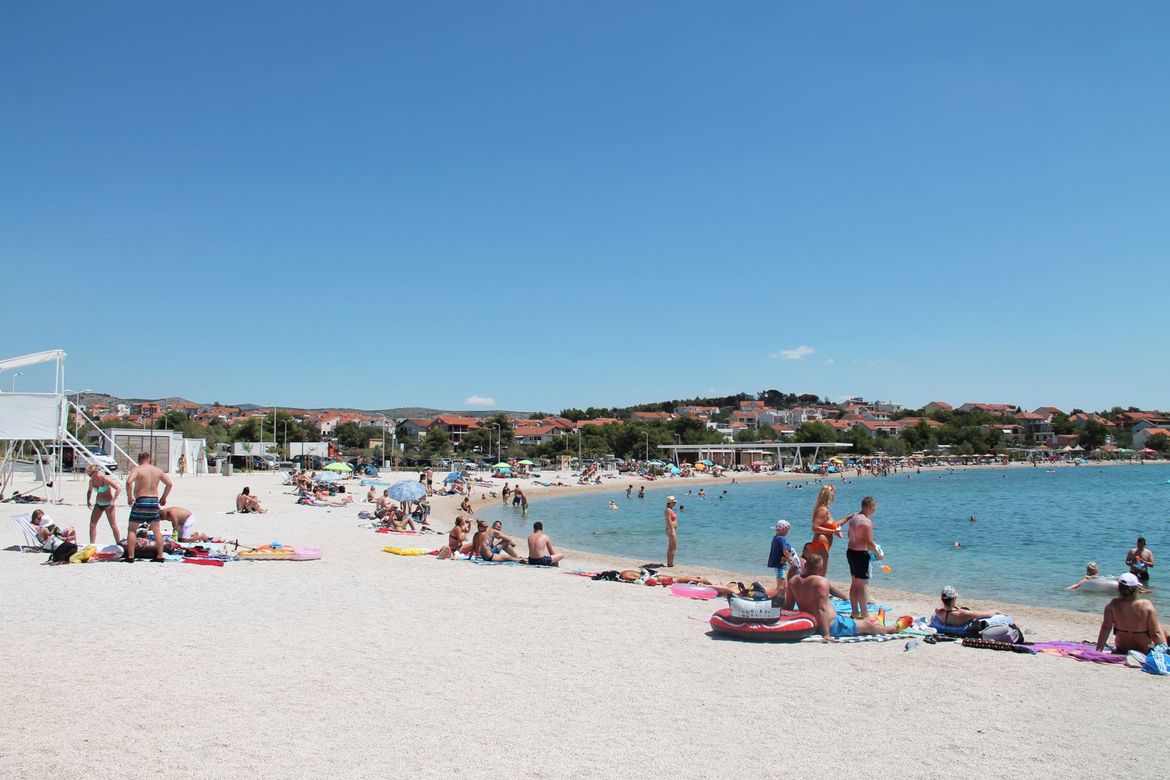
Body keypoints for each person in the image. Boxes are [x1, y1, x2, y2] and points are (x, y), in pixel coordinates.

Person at [785, 553, 905, 640]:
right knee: (867, 627)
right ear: (820, 569)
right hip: (831, 625)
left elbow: (788, 607)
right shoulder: (821, 582)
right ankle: (892, 628)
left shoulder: (793, 581)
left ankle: (871, 621)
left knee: (857, 622)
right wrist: (826, 635)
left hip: (812, 623)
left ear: (805, 566)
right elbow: (822, 609)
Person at [1096, 573, 1170, 653]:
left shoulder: (1112, 605)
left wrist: (1099, 650)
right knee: (1158, 626)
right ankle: (1166, 650)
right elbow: (1155, 634)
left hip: (1122, 648)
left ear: (1119, 588)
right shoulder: (1146, 605)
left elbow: (1106, 628)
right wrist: (1163, 653)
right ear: (1136, 589)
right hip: (1144, 649)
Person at [125, 451, 173, 562]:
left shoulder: (137, 469)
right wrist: (164, 497)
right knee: (156, 531)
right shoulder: (158, 470)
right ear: (149, 459)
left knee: (132, 529)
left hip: (141, 501)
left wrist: (129, 496)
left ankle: (131, 556)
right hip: (153, 502)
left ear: (139, 459)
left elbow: (129, 482)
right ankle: (160, 555)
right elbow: (169, 484)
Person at [845, 496, 882, 620]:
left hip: (850, 552)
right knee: (862, 586)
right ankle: (865, 614)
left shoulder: (853, 518)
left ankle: (855, 612)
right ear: (869, 507)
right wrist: (878, 554)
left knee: (854, 583)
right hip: (861, 555)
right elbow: (869, 543)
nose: (875, 510)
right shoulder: (867, 522)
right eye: (874, 507)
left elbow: (849, 535)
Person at [809, 484, 844, 578]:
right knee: (820, 575)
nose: (835, 496)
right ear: (830, 495)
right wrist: (833, 532)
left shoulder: (824, 510)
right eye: (834, 493)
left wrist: (849, 517)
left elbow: (834, 525)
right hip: (821, 544)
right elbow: (815, 528)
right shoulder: (823, 510)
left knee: (818, 574)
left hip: (822, 544)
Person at [85, 465, 122, 545]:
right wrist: (88, 500)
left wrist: (113, 500)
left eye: (91, 474)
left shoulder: (104, 479)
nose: (91, 476)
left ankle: (119, 543)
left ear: (96, 472)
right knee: (92, 524)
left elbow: (118, 488)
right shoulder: (92, 481)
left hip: (108, 504)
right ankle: (92, 544)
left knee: (113, 525)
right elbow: (89, 491)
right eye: (90, 475)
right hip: (98, 504)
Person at [767, 520, 797, 593]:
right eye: (787, 530)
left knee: (784, 585)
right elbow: (784, 551)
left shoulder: (775, 537)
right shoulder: (781, 538)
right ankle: (773, 596)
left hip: (779, 564)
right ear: (783, 529)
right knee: (781, 586)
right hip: (780, 565)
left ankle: (780, 596)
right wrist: (790, 559)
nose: (787, 532)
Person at [664, 495, 679, 567]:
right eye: (673, 502)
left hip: (671, 530)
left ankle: (669, 563)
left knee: (671, 547)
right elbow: (669, 521)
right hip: (671, 530)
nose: (674, 503)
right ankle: (670, 563)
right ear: (669, 503)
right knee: (673, 547)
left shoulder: (669, 510)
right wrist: (672, 531)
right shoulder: (668, 510)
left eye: (674, 502)